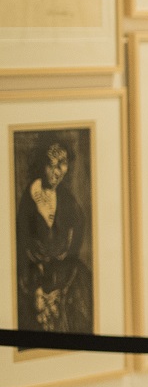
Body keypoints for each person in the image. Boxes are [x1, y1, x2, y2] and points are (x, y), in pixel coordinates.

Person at [15, 139, 91, 332]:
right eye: (52, 165)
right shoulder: (29, 198)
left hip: (64, 271)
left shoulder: (66, 197)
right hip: (34, 274)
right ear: (42, 164)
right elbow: (21, 243)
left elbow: (80, 224)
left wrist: (67, 254)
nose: (57, 173)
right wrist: (36, 288)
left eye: (62, 165)